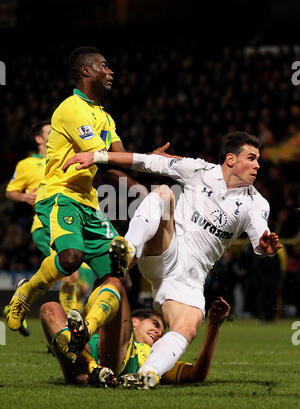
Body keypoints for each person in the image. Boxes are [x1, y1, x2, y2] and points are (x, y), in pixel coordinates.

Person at [61, 130, 282, 388]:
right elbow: (146, 161)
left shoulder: (256, 203)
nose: (258, 165)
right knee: (164, 193)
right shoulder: (199, 170)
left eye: (259, 160)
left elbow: (260, 235)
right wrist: (97, 156)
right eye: (252, 158)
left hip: (189, 278)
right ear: (231, 159)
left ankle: (147, 374)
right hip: (166, 250)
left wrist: (265, 246)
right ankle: (128, 249)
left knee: (189, 325)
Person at [6, 46, 172, 358]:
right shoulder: (71, 109)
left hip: (88, 202)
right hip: (60, 195)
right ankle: (27, 293)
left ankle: (83, 330)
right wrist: (147, 182)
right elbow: (107, 165)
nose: (111, 72)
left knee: (119, 276)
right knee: (71, 258)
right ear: (86, 71)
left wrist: (148, 167)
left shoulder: (105, 117)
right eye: (104, 66)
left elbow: (118, 159)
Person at [3, 120, 93, 327]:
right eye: (49, 131)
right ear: (38, 139)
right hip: (44, 226)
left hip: (71, 224)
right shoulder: (26, 164)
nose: (54, 133)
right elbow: (10, 192)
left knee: (84, 285)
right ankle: (69, 329)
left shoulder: (64, 156)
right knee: (71, 275)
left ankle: (72, 324)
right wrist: (26, 198)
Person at [40, 291, 230, 387]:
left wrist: (213, 326)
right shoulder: (113, 332)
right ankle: (90, 366)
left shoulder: (156, 357)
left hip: (113, 364)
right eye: (155, 325)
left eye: (161, 333)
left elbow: (196, 374)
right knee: (48, 308)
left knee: (117, 290)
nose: (158, 334)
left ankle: (90, 363)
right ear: (134, 321)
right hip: (81, 361)